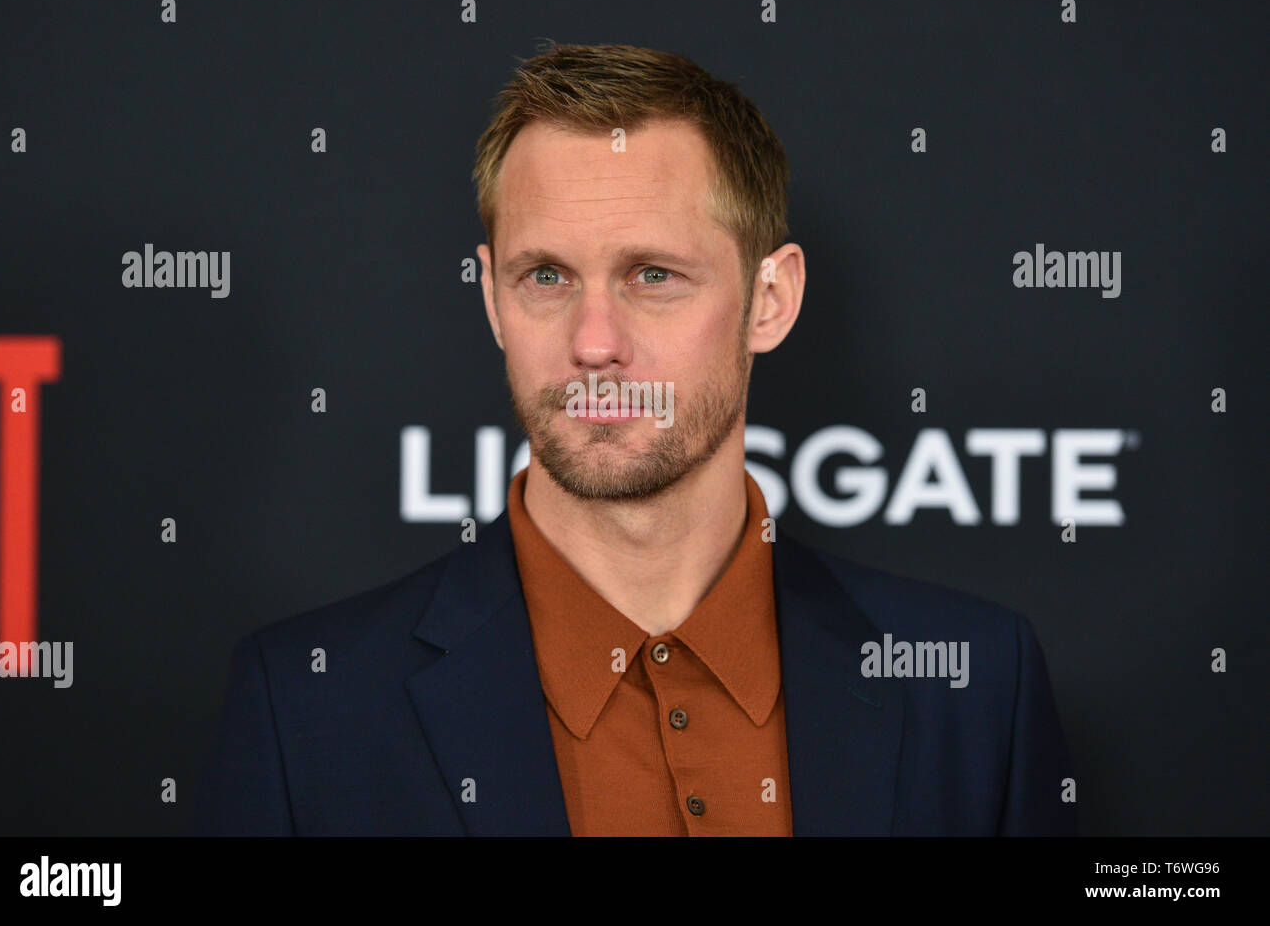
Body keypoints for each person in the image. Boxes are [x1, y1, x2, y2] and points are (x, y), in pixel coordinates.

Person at [191, 41, 1075, 836]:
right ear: (495, 302)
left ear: (771, 300)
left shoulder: (973, 687)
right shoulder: (305, 708)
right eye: (546, 276)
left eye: (653, 274)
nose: (594, 341)